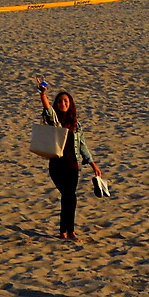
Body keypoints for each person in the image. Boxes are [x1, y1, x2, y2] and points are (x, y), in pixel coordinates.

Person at [36, 83, 101, 243]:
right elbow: (48, 110)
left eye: (66, 101)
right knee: (68, 196)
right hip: (57, 167)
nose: (63, 104)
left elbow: (83, 146)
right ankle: (67, 232)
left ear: (70, 104)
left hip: (73, 167)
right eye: (60, 101)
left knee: (70, 198)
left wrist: (93, 165)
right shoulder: (54, 122)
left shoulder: (76, 125)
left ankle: (66, 232)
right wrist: (43, 94)